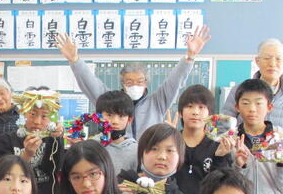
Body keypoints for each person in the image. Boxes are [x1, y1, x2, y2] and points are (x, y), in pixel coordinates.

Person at [55, 26, 211, 138]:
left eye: (140, 81)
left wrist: (190, 57)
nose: (135, 85)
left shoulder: (157, 102)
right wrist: (75, 60)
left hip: (148, 163)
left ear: (146, 83)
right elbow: (90, 83)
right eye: (129, 82)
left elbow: (175, 81)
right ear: (122, 83)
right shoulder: (110, 102)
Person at [0, 86, 64, 194]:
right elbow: (2, 175)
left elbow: (54, 169)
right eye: (32, 114)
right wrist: (26, 155)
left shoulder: (53, 139)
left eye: (44, 116)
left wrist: (57, 139)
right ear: (24, 113)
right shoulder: (7, 140)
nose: (37, 121)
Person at [174, 84, 233, 194]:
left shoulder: (218, 146)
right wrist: (168, 143)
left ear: (210, 115)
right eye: (189, 106)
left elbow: (223, 186)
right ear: (181, 112)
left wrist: (220, 158)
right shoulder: (171, 143)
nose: (195, 112)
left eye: (201, 107)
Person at [221, 38, 283, 131]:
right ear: (257, 61)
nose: (272, 64)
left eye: (278, 59)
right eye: (267, 58)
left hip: (282, 141)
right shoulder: (238, 90)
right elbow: (224, 126)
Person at [95, 90, 137, 174]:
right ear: (98, 117)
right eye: (109, 115)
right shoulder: (92, 146)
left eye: (121, 116)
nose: (115, 121)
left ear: (129, 120)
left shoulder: (136, 150)